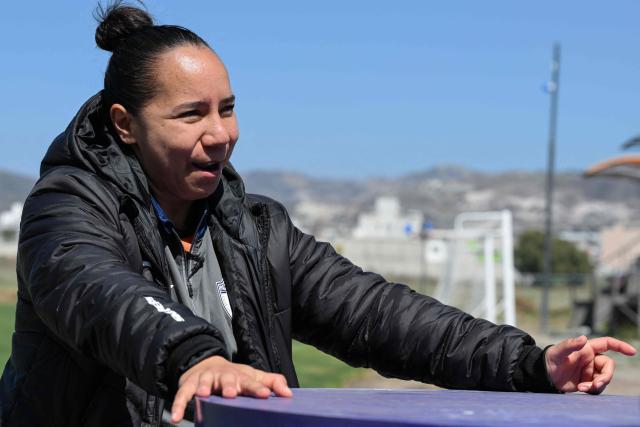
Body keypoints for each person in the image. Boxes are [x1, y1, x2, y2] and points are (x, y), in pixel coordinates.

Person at [0, 3, 636, 426]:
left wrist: (528, 363)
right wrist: (194, 355)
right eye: (191, 115)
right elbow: (99, 291)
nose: (222, 133)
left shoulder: (256, 227)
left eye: (227, 108)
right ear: (125, 125)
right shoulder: (65, 208)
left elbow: (379, 314)